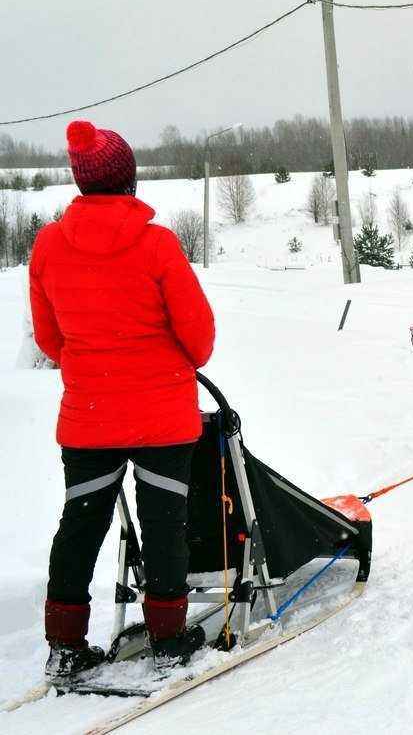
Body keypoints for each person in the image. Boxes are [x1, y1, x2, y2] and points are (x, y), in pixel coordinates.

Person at [30, 120, 216, 679]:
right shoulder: (157, 244)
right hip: (162, 418)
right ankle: (167, 637)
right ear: (129, 178)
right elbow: (200, 341)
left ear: (81, 181)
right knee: (165, 524)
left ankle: (66, 645)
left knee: (80, 525)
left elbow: (49, 340)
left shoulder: (47, 246)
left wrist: (94, 362)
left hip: (87, 416)